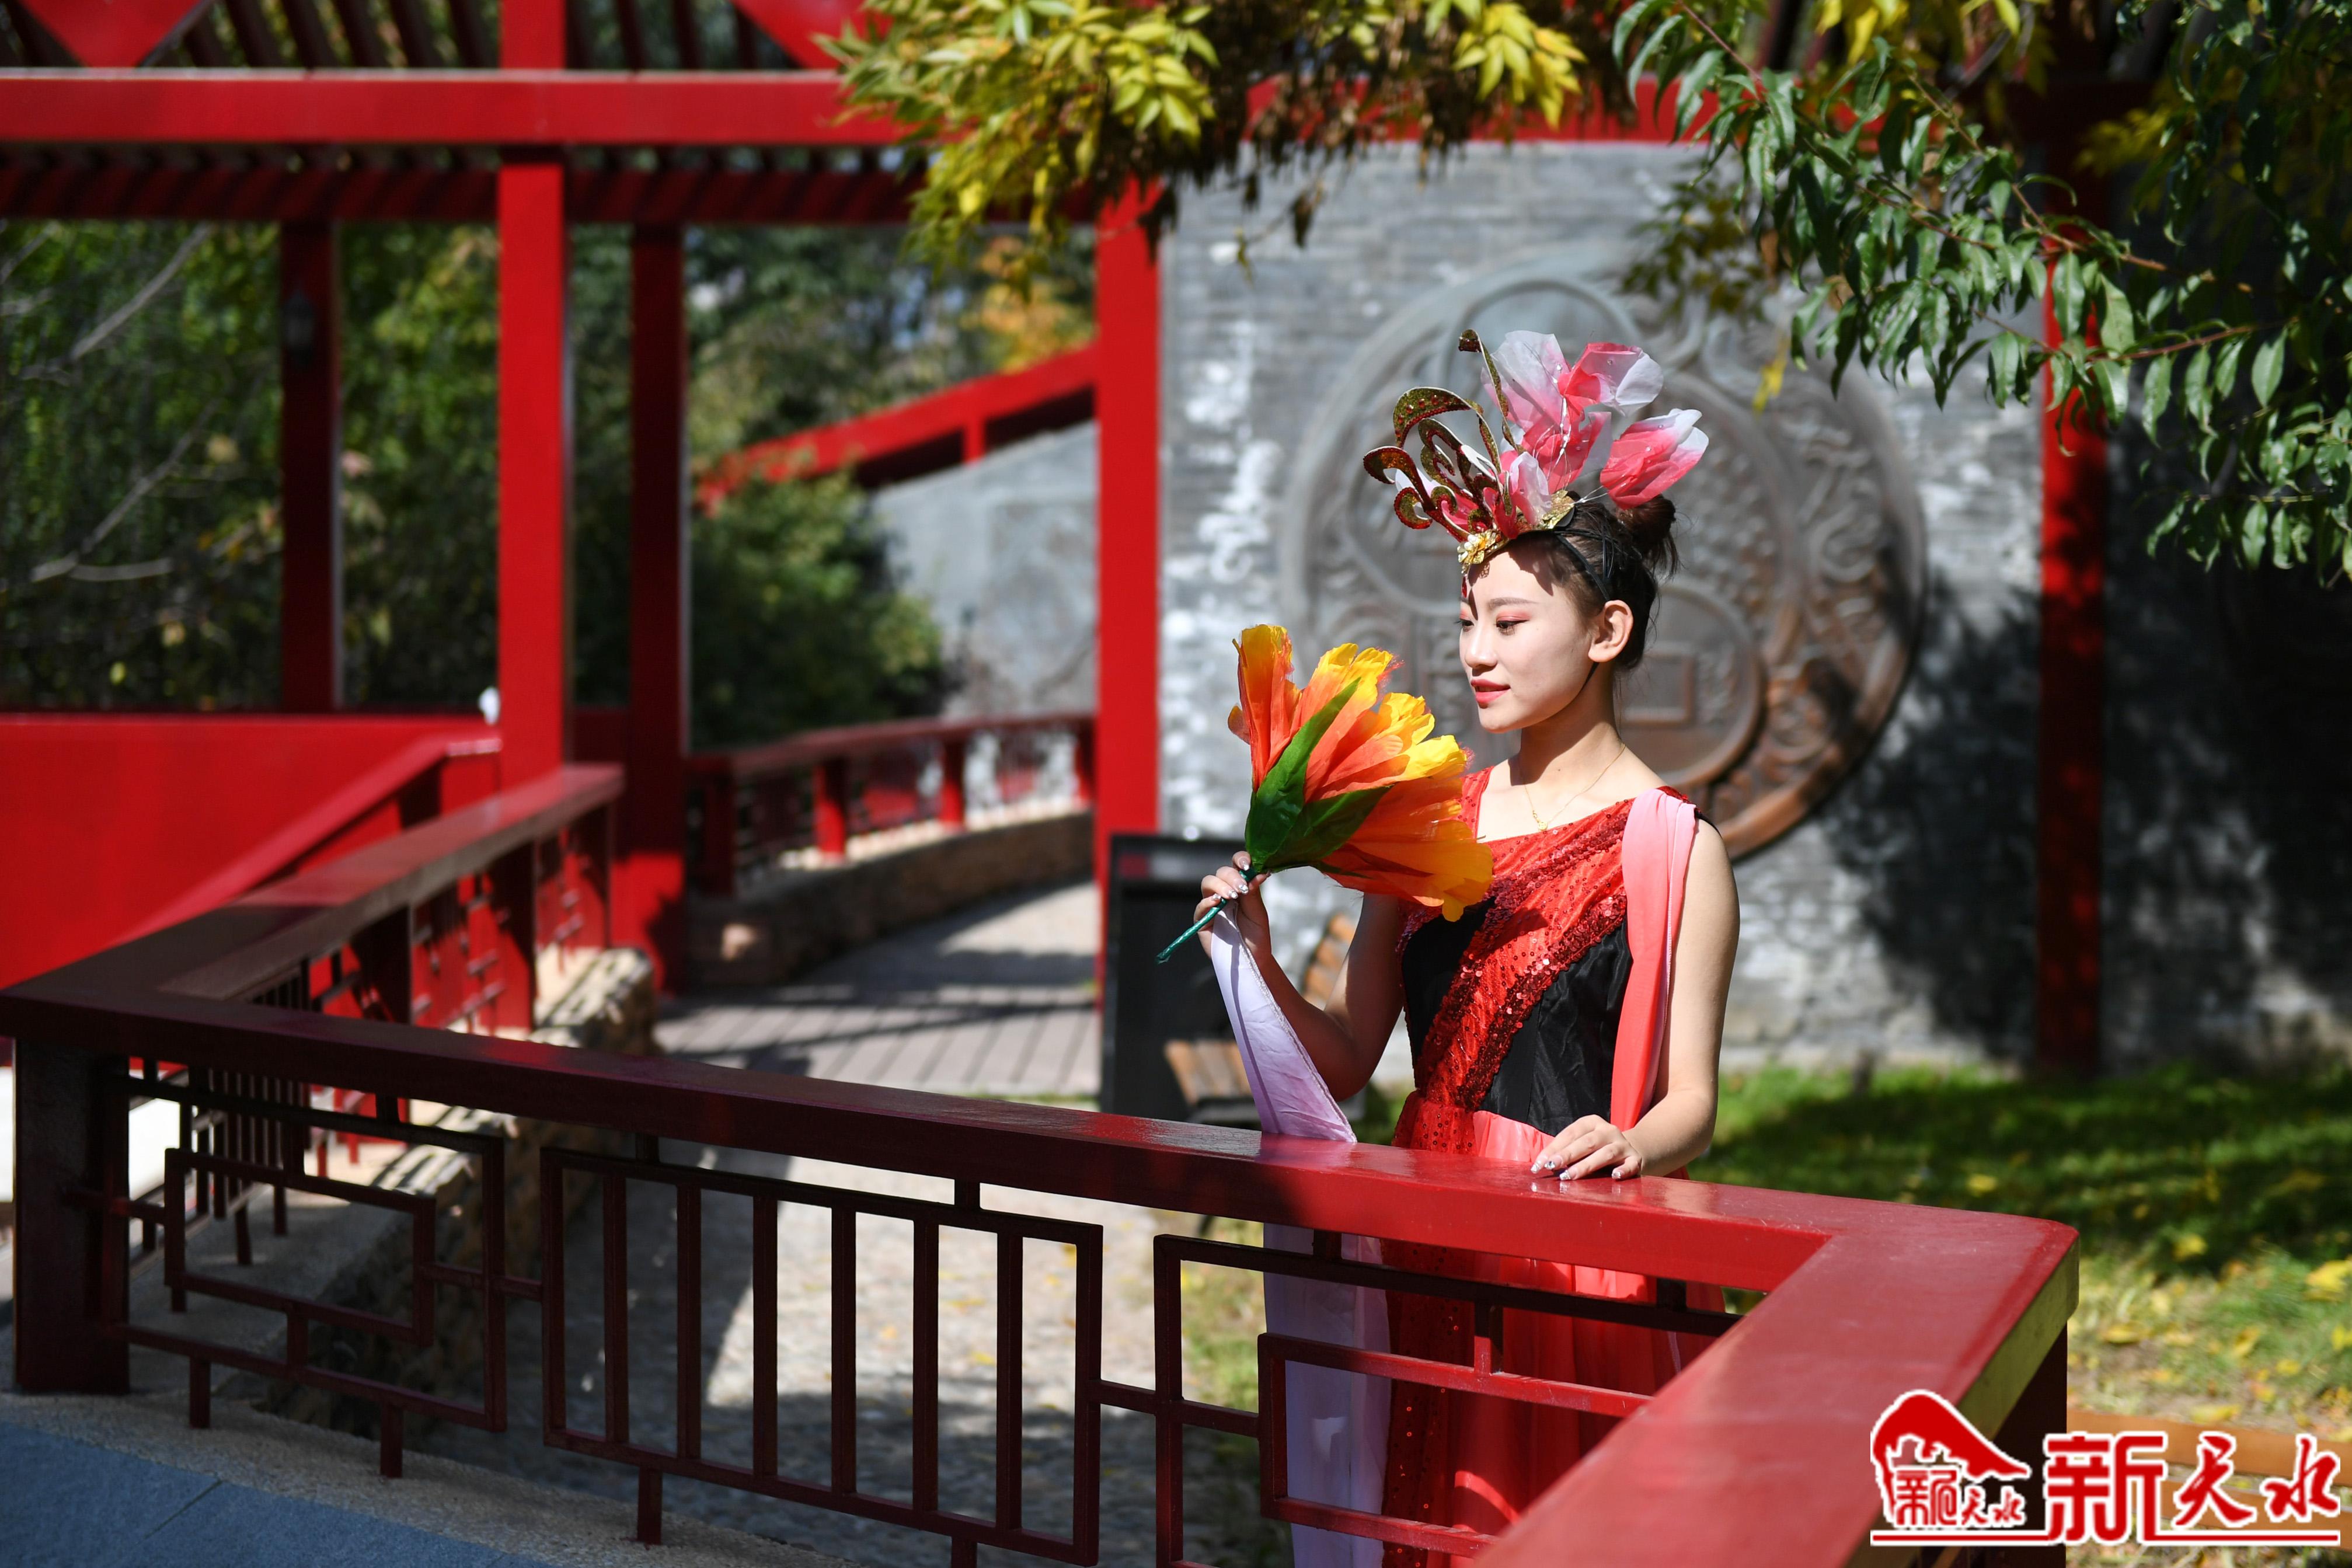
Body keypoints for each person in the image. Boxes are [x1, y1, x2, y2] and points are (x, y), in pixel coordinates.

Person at [1194, 333, 1739, 1564]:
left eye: (1507, 620)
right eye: (1465, 621)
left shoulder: (1674, 847)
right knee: (1421, 1519)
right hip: (1420, 1220)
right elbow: (1347, 1057)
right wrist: (1258, 954)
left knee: (1552, 1526)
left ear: (1604, 631)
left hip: (1571, 1243)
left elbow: (1691, 1101)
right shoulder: (1427, 819)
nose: (1475, 651)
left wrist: (1633, 1142)